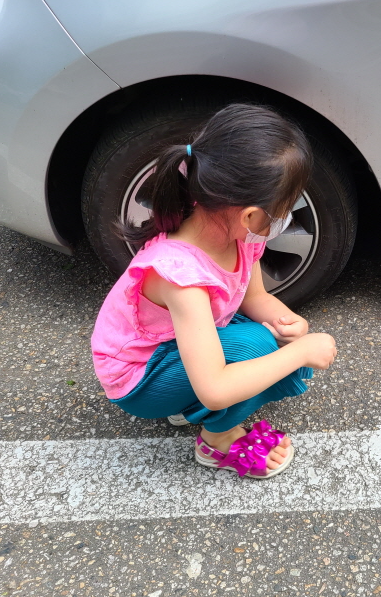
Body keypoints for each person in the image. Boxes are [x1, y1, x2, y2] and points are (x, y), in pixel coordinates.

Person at [91, 104, 337, 478]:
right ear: (251, 215)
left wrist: (290, 323)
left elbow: (254, 298)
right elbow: (216, 390)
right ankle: (216, 440)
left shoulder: (236, 233)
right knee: (260, 347)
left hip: (170, 342)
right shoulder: (182, 277)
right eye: (285, 208)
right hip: (138, 379)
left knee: (270, 341)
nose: (285, 218)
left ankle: (185, 398)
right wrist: (300, 351)